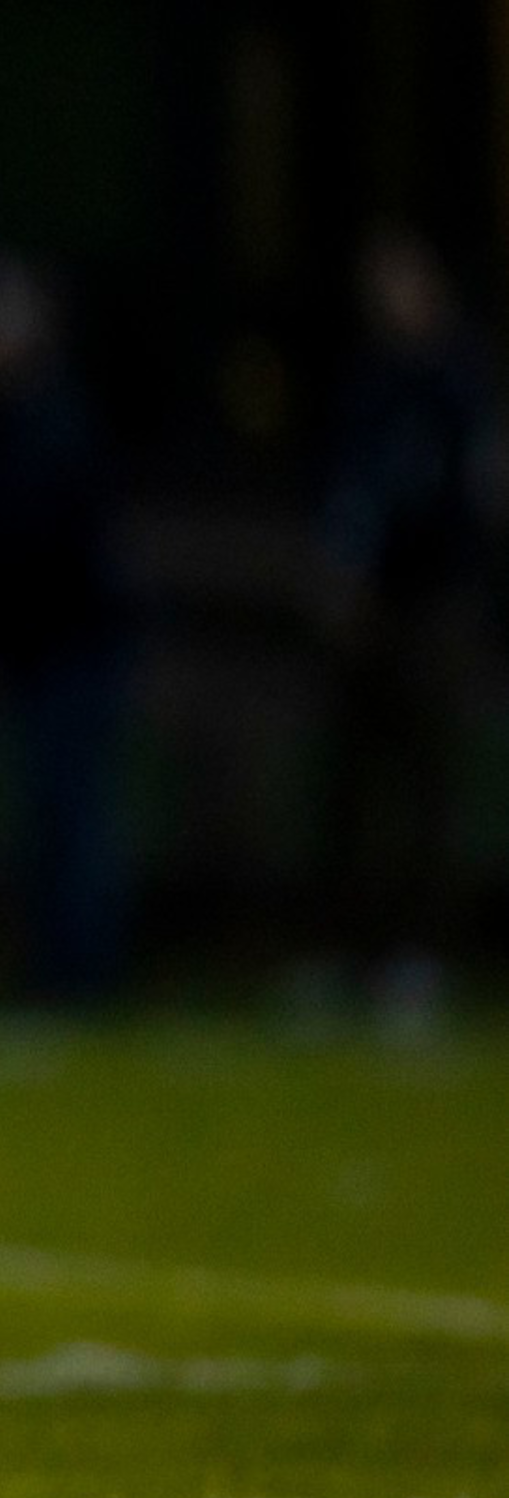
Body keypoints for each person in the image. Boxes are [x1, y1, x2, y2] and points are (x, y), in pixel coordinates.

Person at [310, 226, 499, 1036]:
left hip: (436, 601)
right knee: (354, 778)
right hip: (372, 603)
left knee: (426, 780)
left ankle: (420, 952)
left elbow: (471, 492)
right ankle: (348, 950)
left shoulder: (460, 379)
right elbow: (349, 491)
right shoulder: (369, 380)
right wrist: (340, 578)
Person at [0, 252, 135, 1000]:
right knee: (56, 821)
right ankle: (64, 971)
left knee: (75, 820)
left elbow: (46, 552)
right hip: (42, 653)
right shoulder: (1, 419)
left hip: (70, 651)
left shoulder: (49, 420)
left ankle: (79, 975)